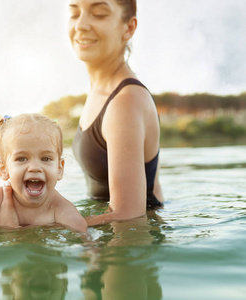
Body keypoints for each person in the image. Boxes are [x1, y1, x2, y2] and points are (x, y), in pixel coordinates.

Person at [68, 0, 164, 226]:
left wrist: (47, 226)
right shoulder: (101, 90)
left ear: (128, 28)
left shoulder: (125, 101)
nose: (80, 24)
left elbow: (128, 214)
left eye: (99, 14)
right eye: (74, 13)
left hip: (132, 248)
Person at [0, 113, 87, 233]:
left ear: (59, 168)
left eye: (45, 159)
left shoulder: (58, 206)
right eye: (22, 159)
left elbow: (84, 236)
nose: (35, 167)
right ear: (4, 169)